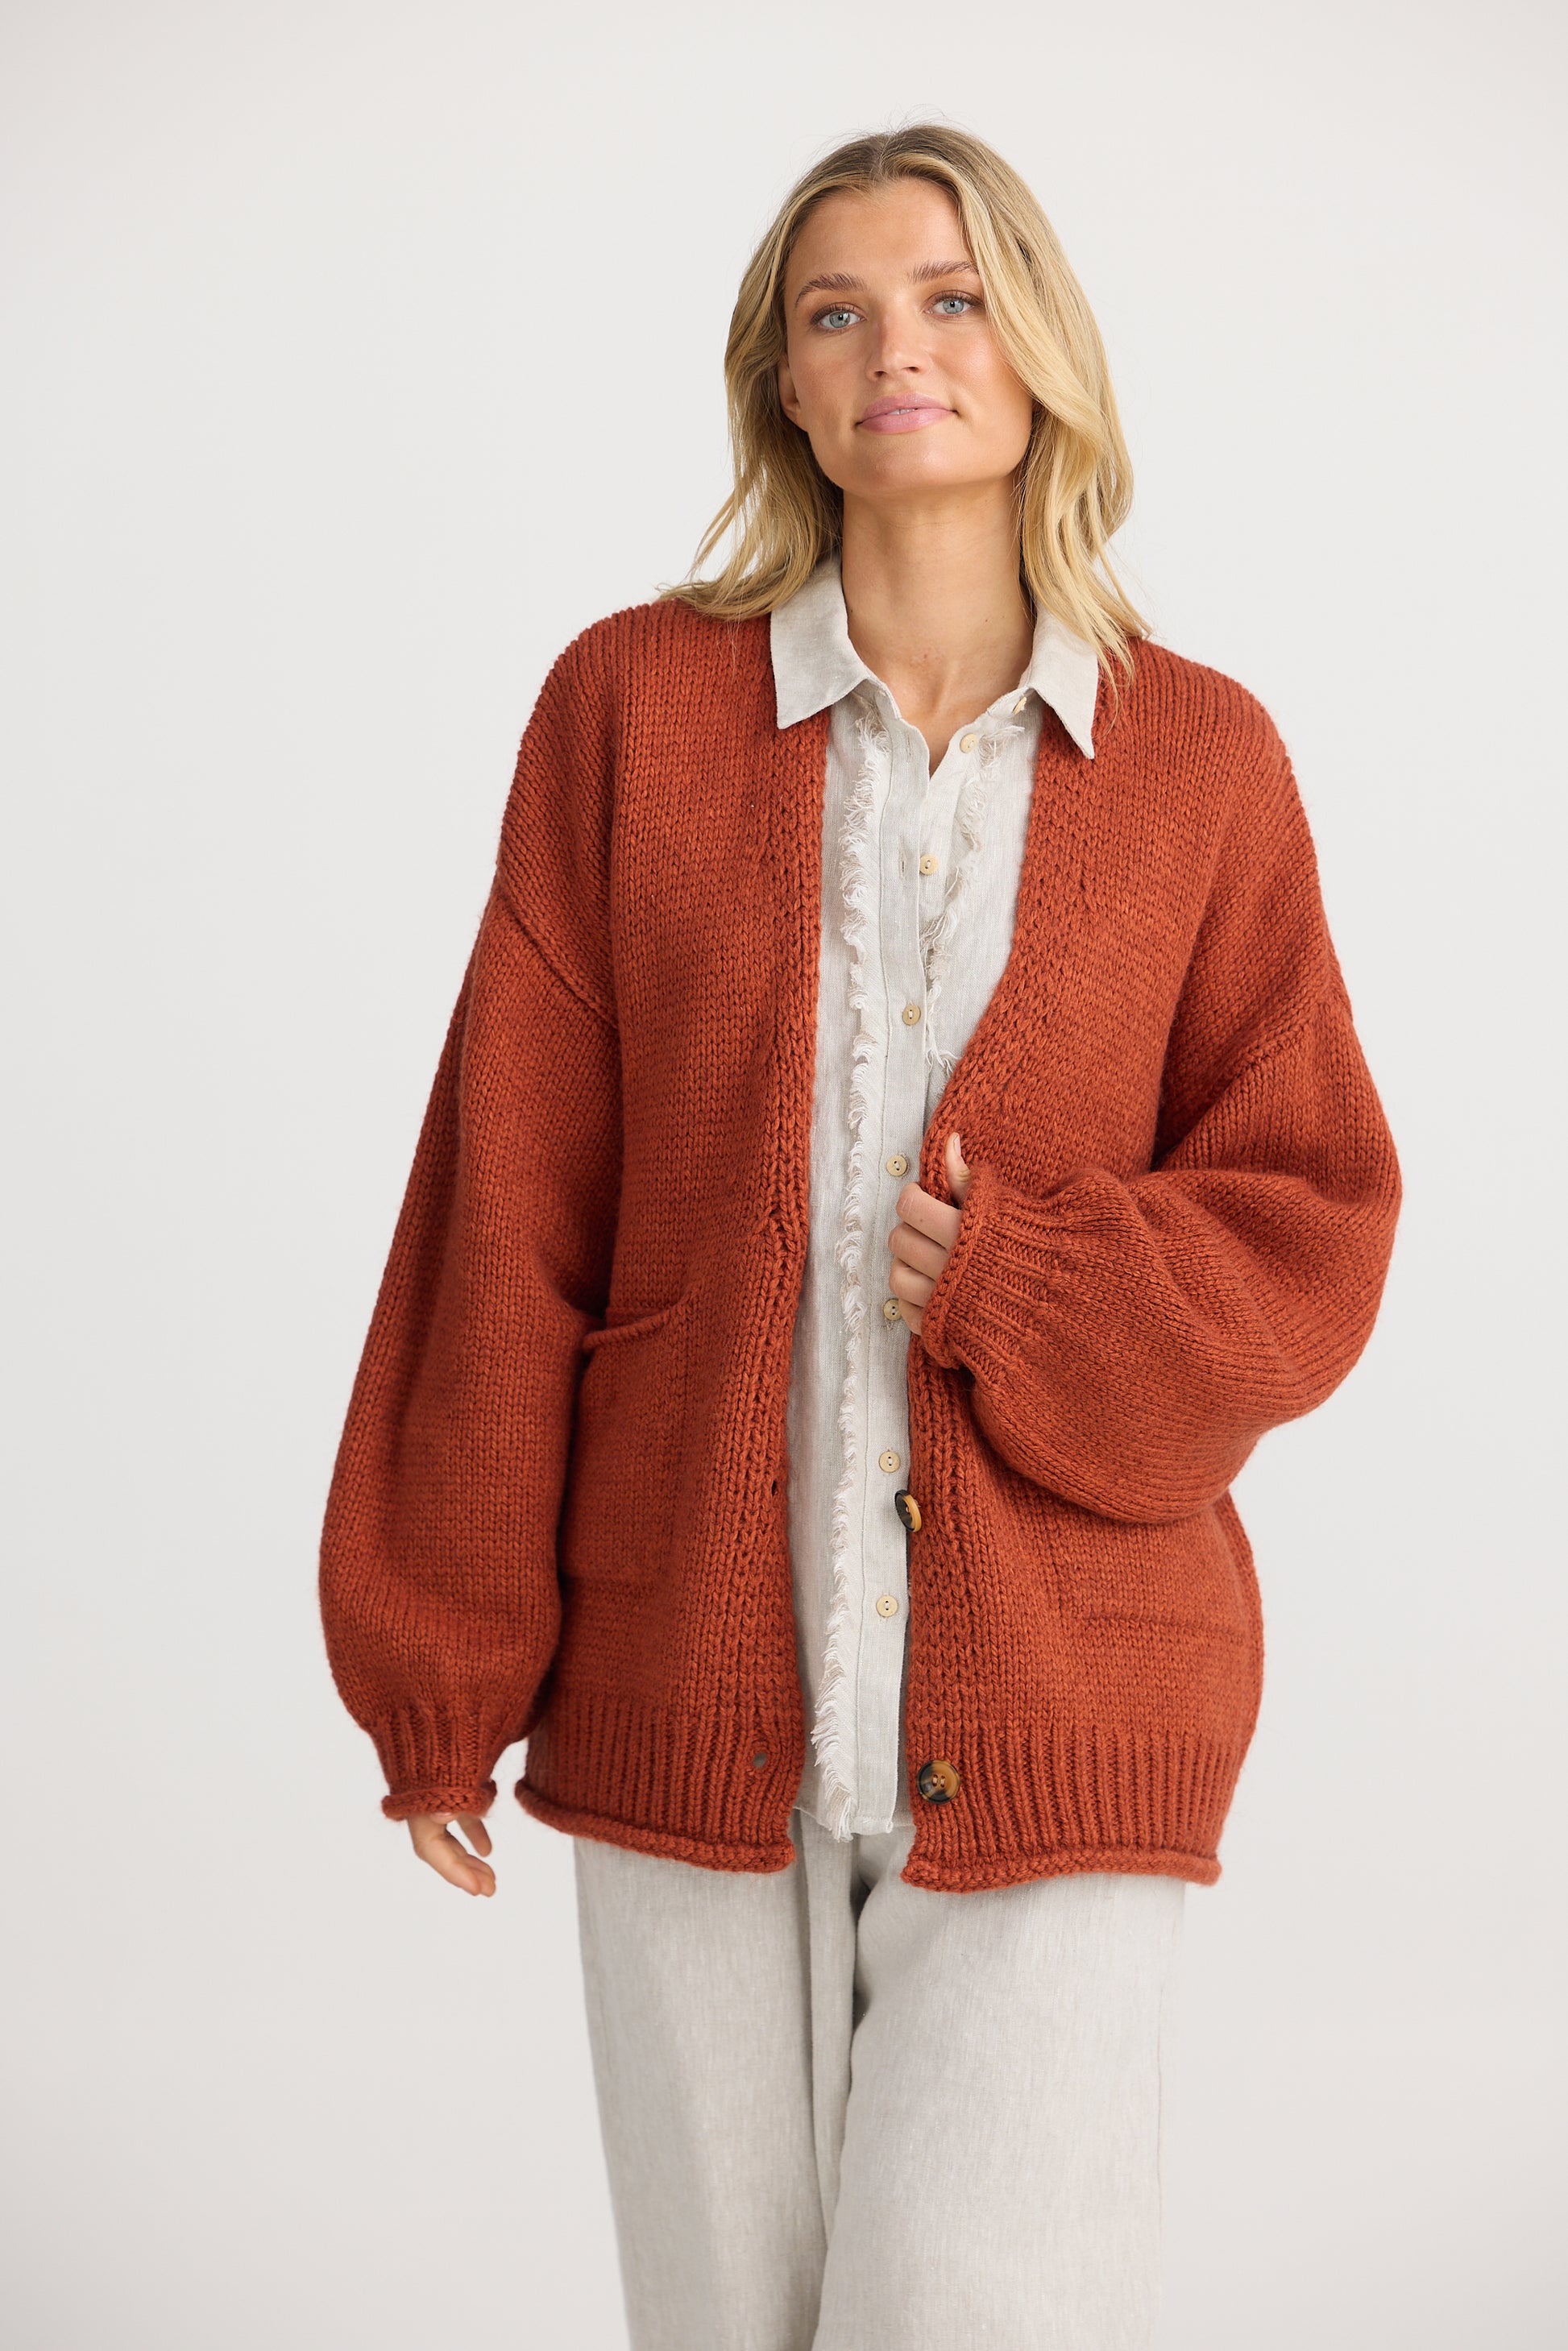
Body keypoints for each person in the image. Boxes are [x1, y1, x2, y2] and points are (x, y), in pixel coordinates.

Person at [318, 122, 1401, 2350]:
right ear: (786, 391)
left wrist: (1033, 1284)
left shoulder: (1202, 764)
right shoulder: (627, 715)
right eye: (840, 313)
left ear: (1040, 351)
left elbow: (1313, 1226)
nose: (900, 347)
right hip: (683, 1692)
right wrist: (441, 1661)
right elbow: (505, 1203)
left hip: (1072, 1703)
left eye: (951, 296)